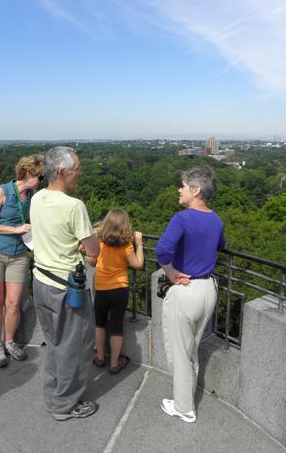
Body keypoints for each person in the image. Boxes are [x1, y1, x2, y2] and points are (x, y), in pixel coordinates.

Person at [30, 146, 100, 421]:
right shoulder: (74, 206)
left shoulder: (37, 198)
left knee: (55, 342)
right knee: (76, 346)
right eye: (77, 168)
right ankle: (64, 404)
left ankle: (53, 393)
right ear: (61, 172)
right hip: (67, 288)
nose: (79, 173)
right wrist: (86, 246)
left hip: (41, 282)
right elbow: (94, 252)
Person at [155, 166, 225, 423]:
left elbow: (162, 250)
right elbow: (221, 245)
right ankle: (188, 394)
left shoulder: (182, 218)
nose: (179, 189)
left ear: (195, 190)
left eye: (183, 185)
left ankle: (184, 407)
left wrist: (171, 272)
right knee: (191, 348)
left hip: (185, 290)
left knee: (180, 352)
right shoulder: (216, 219)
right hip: (209, 290)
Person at [0, 154, 45, 368]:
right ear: (29, 173)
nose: (43, 181)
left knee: (14, 303)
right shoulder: (1, 191)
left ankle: (10, 341)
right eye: (41, 176)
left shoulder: (33, 194)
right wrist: (15, 229)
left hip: (18, 254)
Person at [93, 209, 144, 374]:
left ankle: (100, 357)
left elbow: (90, 259)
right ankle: (114, 363)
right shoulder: (126, 245)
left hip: (101, 289)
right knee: (116, 326)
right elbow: (138, 265)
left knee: (99, 323)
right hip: (120, 289)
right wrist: (139, 244)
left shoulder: (99, 241)